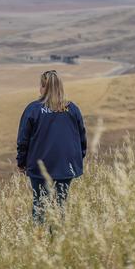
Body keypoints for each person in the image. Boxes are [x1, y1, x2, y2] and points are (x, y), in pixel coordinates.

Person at [16, 70, 87, 224]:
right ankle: (58, 240)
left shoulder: (33, 109)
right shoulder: (72, 109)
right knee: (60, 205)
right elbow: (82, 138)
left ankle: (40, 242)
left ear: (43, 87)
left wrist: (21, 162)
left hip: (40, 167)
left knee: (40, 205)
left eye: (40, 86)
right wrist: (76, 159)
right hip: (66, 166)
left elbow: (23, 140)